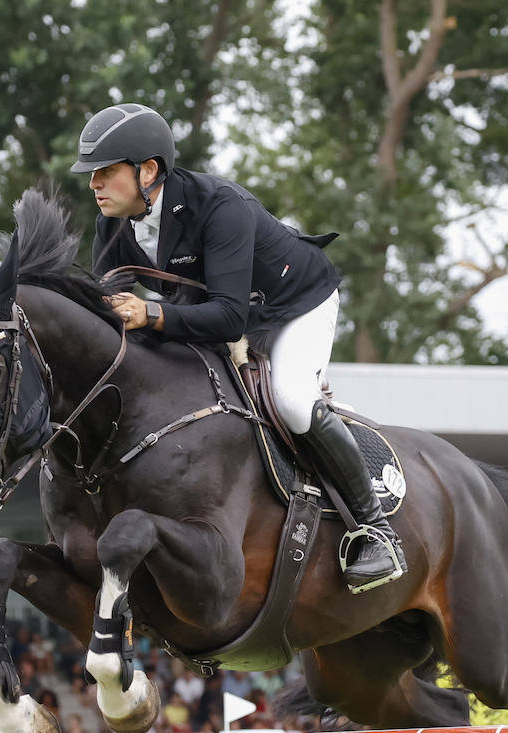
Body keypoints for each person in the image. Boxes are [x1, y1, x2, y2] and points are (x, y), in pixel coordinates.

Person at [70, 102, 404, 593]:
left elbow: (229, 319)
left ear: (147, 170)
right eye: (91, 174)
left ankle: (375, 530)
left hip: (292, 305)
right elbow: (102, 307)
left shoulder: (220, 206)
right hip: (218, 310)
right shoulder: (113, 224)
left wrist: (151, 313)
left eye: (105, 172)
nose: (94, 184)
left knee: (290, 400)